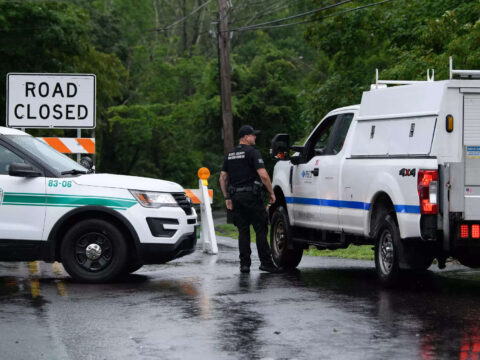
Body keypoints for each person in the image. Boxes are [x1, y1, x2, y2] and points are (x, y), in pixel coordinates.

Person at [219, 125, 279, 273]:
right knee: (260, 229)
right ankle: (266, 263)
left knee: (243, 231)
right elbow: (264, 175)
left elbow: (223, 177)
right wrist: (271, 193)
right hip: (252, 197)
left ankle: (244, 265)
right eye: (253, 135)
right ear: (246, 137)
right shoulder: (253, 152)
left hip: (236, 198)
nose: (255, 137)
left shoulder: (230, 154)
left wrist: (227, 196)